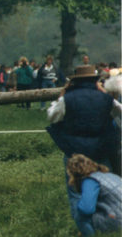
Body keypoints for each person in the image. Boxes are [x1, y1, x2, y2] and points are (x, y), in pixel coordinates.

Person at [47, 65, 122, 227]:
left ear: (74, 82)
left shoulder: (67, 99)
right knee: (104, 187)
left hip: (75, 151)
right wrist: (105, 95)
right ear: (96, 81)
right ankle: (107, 223)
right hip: (101, 150)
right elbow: (119, 112)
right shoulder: (105, 99)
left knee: (75, 192)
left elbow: (51, 116)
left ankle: (83, 228)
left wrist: (61, 95)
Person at [66, 154, 122, 237]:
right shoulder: (109, 175)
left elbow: (86, 209)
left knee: (80, 216)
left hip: (118, 219)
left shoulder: (90, 181)